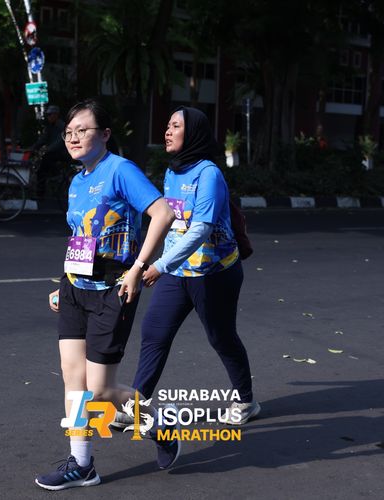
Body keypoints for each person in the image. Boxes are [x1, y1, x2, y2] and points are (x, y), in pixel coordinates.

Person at [35, 99, 177, 491]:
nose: (73, 138)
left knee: (100, 389)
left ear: (105, 134)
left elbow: (163, 214)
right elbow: (81, 236)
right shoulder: (78, 180)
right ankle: (82, 464)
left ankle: (159, 422)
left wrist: (137, 268)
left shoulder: (120, 170)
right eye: (68, 132)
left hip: (113, 290)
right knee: (73, 379)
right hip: (75, 289)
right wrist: (65, 281)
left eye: (82, 130)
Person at [132, 106, 261, 426]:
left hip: (214, 274)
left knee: (221, 337)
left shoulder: (209, 174)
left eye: (176, 126)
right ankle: (136, 405)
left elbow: (201, 229)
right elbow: (168, 223)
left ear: (193, 133)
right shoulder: (172, 172)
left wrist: (160, 265)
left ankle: (245, 400)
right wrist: (143, 260)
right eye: (167, 125)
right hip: (177, 272)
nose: (167, 131)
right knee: (154, 332)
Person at [32, 105, 71, 197]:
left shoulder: (61, 126)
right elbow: (43, 138)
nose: (48, 117)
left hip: (62, 153)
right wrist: (33, 147)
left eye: (50, 115)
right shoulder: (49, 126)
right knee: (41, 164)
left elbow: (60, 141)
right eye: (48, 115)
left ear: (56, 115)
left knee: (42, 169)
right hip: (53, 152)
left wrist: (48, 149)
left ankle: (40, 193)